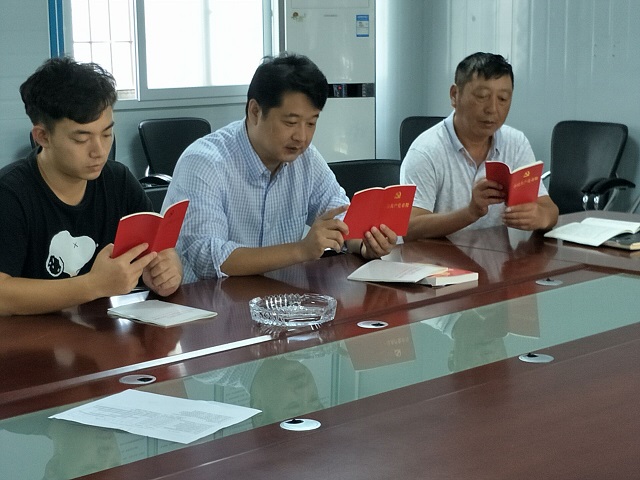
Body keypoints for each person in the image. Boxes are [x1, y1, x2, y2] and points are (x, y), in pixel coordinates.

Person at [163, 52, 397, 281]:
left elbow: (341, 214)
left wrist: (365, 243)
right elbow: (207, 258)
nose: (302, 137)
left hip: (280, 298)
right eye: (290, 122)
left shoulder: (306, 159)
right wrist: (301, 250)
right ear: (255, 111)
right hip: (206, 301)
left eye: (311, 123)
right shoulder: (205, 163)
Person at [0, 57, 183, 316]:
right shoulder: (10, 194)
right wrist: (92, 285)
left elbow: (159, 249)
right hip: (31, 338)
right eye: (81, 139)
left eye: (106, 134)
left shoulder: (118, 181)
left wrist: (167, 270)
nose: (99, 151)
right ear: (43, 136)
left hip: (103, 333)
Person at [400, 52, 558, 239]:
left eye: (503, 99)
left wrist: (540, 217)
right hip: (438, 256)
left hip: (496, 255)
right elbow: (410, 227)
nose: (492, 109)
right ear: (455, 95)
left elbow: (549, 208)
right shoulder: (426, 151)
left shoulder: (516, 143)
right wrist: (470, 213)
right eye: (482, 96)